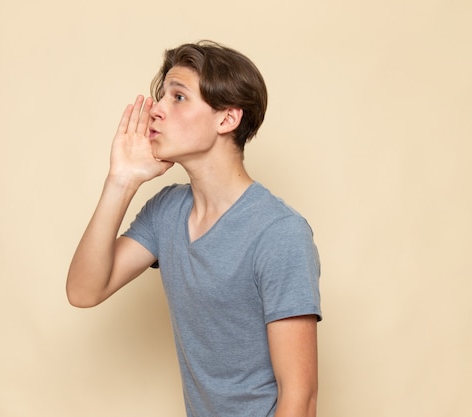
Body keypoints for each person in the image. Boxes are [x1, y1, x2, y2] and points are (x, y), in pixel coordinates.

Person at [66, 40, 322, 417]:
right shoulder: (167, 211)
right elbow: (84, 290)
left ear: (227, 119)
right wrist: (121, 180)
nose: (156, 109)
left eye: (179, 97)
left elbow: (300, 398)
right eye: (161, 96)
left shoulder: (278, 233)